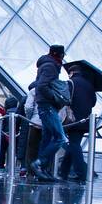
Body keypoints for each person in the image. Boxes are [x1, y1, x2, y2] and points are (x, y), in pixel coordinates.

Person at [30, 44, 69, 183]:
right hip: (47, 106)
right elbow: (41, 85)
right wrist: (54, 97)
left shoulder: (47, 64)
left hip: (45, 105)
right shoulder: (50, 66)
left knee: (47, 138)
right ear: (58, 54)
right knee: (59, 137)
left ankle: (42, 171)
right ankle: (39, 164)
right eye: (62, 55)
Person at [59, 63, 97, 182]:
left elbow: (64, 98)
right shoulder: (90, 85)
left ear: (71, 73)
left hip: (73, 119)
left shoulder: (70, 83)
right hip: (85, 120)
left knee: (74, 145)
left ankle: (81, 172)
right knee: (74, 143)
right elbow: (94, 102)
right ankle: (63, 171)